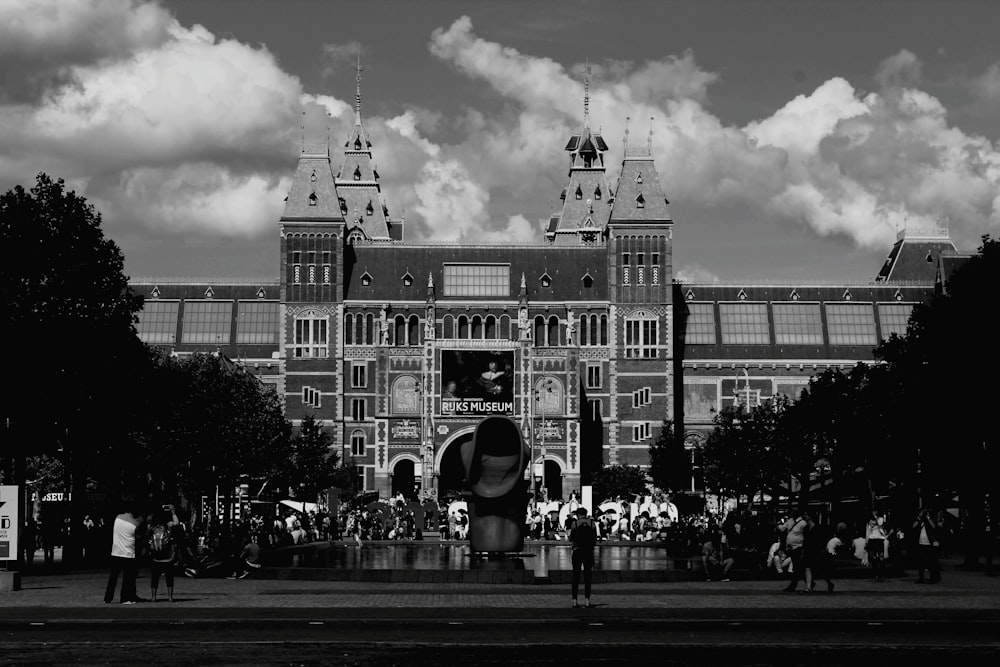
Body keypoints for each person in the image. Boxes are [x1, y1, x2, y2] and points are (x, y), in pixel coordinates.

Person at [104, 504, 145, 604]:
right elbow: (139, 533)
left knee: (113, 577)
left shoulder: (118, 518)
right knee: (128, 577)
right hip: (128, 553)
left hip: (116, 551)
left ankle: (108, 598)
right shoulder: (135, 524)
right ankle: (125, 598)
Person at [148, 506, 178, 602]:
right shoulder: (168, 525)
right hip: (168, 556)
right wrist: (173, 512)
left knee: (154, 578)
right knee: (169, 578)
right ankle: (170, 597)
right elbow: (176, 523)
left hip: (156, 557)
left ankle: (153, 597)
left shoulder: (151, 527)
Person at [569, 507, 597, 608]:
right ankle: (587, 601)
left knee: (575, 576)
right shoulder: (592, 523)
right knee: (587, 576)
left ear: (578, 514)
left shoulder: (575, 524)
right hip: (588, 552)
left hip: (577, 551)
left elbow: (571, 538)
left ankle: (574, 601)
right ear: (586, 513)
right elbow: (594, 538)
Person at [913, 508, 941, 584]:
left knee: (931, 561)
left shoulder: (930, 519)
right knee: (921, 562)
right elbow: (913, 526)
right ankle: (921, 578)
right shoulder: (919, 520)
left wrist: (928, 517)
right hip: (921, 543)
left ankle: (933, 578)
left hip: (929, 543)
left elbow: (934, 526)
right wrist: (919, 517)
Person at [781, 512, 808, 592]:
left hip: (798, 547)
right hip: (791, 547)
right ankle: (808, 582)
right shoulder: (790, 521)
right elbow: (782, 528)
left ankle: (793, 585)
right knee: (797, 567)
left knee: (797, 567)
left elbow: (805, 536)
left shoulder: (803, 523)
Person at [865, 510, 889, 582]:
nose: (874, 513)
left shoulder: (880, 519)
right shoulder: (869, 522)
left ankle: (883, 575)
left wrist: (876, 518)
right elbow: (868, 532)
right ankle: (876, 575)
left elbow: (880, 525)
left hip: (879, 539)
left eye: (875, 512)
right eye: (873, 512)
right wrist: (866, 542)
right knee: (874, 558)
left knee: (881, 558)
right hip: (872, 539)